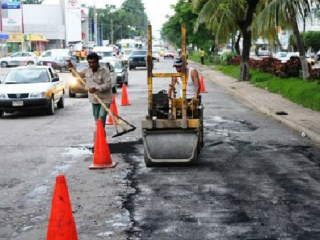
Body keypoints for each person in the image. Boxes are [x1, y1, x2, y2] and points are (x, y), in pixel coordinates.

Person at [69, 52, 112, 127]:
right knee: (97, 119)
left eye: (94, 62)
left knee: (101, 116)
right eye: (90, 62)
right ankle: (100, 134)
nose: (92, 64)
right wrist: (71, 68)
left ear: (98, 61)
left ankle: (101, 134)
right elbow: (76, 75)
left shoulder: (105, 71)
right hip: (94, 99)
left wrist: (96, 88)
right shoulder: (86, 70)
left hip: (105, 99)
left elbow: (108, 85)